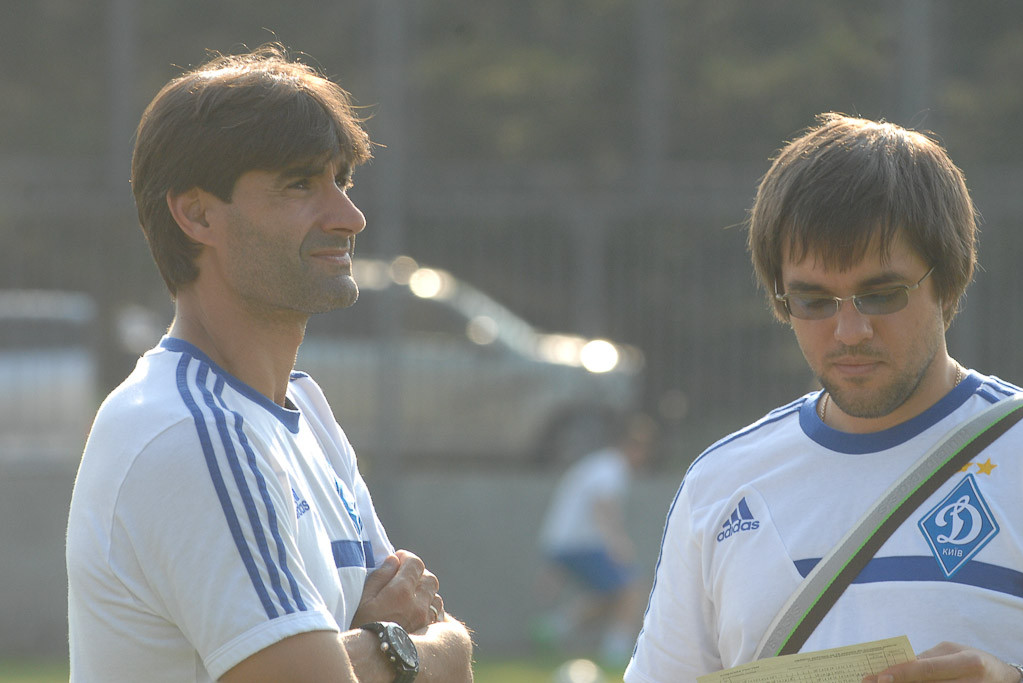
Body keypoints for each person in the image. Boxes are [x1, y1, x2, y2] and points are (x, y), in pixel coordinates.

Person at [66, 44, 473, 683]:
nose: (349, 217)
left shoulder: (303, 410)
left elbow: (426, 629)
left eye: (342, 181)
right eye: (300, 184)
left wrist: (390, 645)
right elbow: (417, 650)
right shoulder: (193, 431)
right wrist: (405, 649)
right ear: (197, 213)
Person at [624, 113, 1023, 682]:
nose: (849, 331)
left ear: (948, 278)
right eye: (813, 301)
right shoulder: (719, 485)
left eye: (881, 294)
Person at [535, 413, 657, 668]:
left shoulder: (600, 464)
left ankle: (554, 628)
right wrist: (617, 543)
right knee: (632, 588)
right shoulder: (613, 467)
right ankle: (617, 655)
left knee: (610, 594)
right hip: (580, 543)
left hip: (563, 542)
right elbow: (601, 505)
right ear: (632, 447)